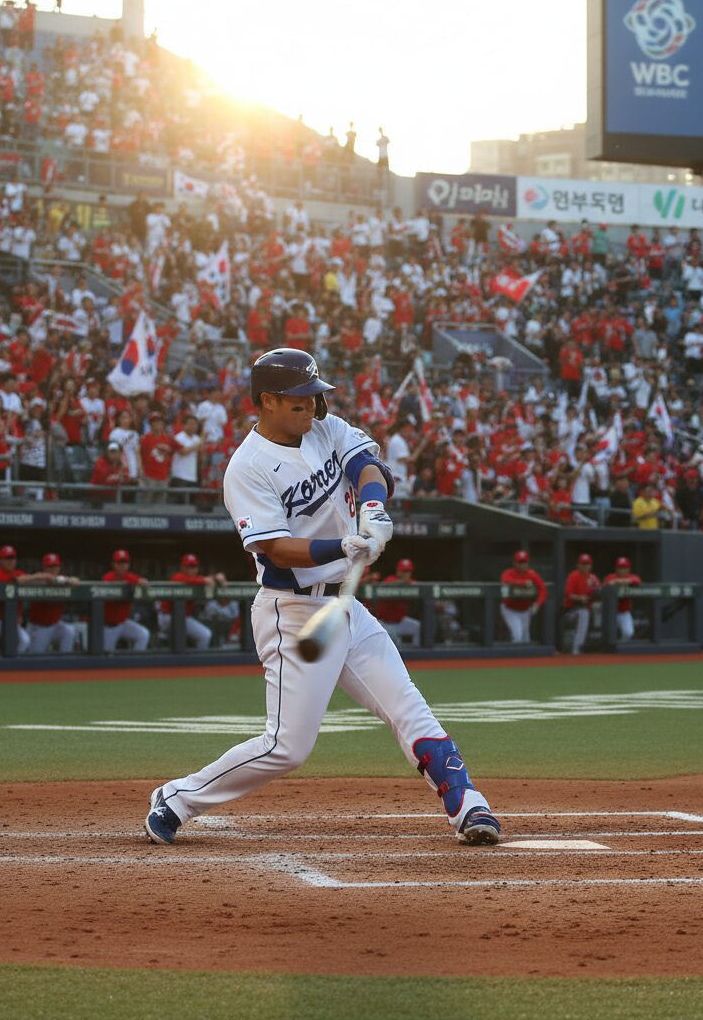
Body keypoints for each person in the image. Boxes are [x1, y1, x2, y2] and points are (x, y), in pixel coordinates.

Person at [145, 348, 500, 848]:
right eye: (299, 399)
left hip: (346, 607)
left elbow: (366, 463)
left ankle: (468, 805)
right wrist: (344, 544)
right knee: (287, 748)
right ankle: (177, 798)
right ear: (267, 401)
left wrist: (373, 506)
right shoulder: (247, 467)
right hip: (293, 613)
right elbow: (275, 549)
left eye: (314, 396)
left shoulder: (323, 426)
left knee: (408, 708)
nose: (311, 406)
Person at [0, 545, 52, 653]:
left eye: (12, 558)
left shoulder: (18, 572)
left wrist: (54, 579)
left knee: (22, 639)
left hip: (9, 621)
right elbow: (19, 580)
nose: (10, 561)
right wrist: (35, 576)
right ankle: (9, 662)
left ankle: (6, 659)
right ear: (0, 560)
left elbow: (33, 580)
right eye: (6, 558)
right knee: (23, 639)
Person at [157, 553, 222, 650]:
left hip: (183, 617)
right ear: (182, 567)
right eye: (189, 566)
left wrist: (217, 578)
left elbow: (200, 580)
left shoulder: (196, 579)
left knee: (204, 635)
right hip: (167, 617)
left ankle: (196, 662)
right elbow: (187, 579)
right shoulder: (177, 577)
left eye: (194, 566)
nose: (192, 569)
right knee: (204, 634)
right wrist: (208, 579)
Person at [26, 551, 81, 653]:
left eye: (55, 566)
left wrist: (66, 580)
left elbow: (76, 581)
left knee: (69, 631)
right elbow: (27, 580)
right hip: (39, 627)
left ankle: (65, 662)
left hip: (55, 625)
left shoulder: (61, 580)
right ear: (44, 567)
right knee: (36, 661)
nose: (53, 569)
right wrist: (43, 577)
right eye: (50, 566)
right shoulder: (38, 580)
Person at [101, 549, 150, 652]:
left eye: (125, 563)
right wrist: (136, 581)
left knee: (143, 634)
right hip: (109, 626)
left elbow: (138, 580)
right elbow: (113, 581)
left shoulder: (130, 576)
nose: (122, 566)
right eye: (119, 563)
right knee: (107, 656)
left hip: (123, 623)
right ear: (113, 564)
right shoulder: (108, 577)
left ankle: (136, 664)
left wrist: (139, 581)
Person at [499, 550, 547, 643]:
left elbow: (543, 590)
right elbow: (505, 581)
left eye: (524, 562)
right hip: (510, 609)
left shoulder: (532, 574)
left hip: (525, 610)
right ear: (514, 563)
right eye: (520, 562)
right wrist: (522, 583)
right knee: (517, 636)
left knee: (525, 640)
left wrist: (537, 604)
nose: (522, 565)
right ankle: (513, 656)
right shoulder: (508, 573)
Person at [375, 557, 422, 647]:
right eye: (403, 571)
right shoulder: (390, 579)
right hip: (385, 623)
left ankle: (417, 655)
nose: (406, 574)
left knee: (416, 626)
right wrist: (403, 583)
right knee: (394, 637)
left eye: (408, 571)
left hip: (399, 622)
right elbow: (387, 585)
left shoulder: (411, 583)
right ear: (398, 571)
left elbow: (418, 585)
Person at [563, 552, 600, 655]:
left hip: (588, 608)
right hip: (570, 610)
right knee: (584, 613)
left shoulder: (593, 578)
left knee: (598, 608)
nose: (585, 566)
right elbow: (568, 595)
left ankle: (603, 645)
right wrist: (580, 598)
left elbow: (599, 591)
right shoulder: (573, 576)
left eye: (587, 564)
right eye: (582, 564)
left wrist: (595, 600)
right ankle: (576, 648)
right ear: (578, 565)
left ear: (591, 565)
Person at [603, 556, 641, 642]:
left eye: (625, 568)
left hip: (624, 612)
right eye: (620, 568)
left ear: (628, 569)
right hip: (610, 613)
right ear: (616, 569)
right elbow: (607, 583)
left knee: (628, 633)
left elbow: (637, 580)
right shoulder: (610, 577)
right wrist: (617, 581)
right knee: (609, 635)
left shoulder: (632, 576)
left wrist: (622, 581)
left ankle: (620, 647)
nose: (622, 570)